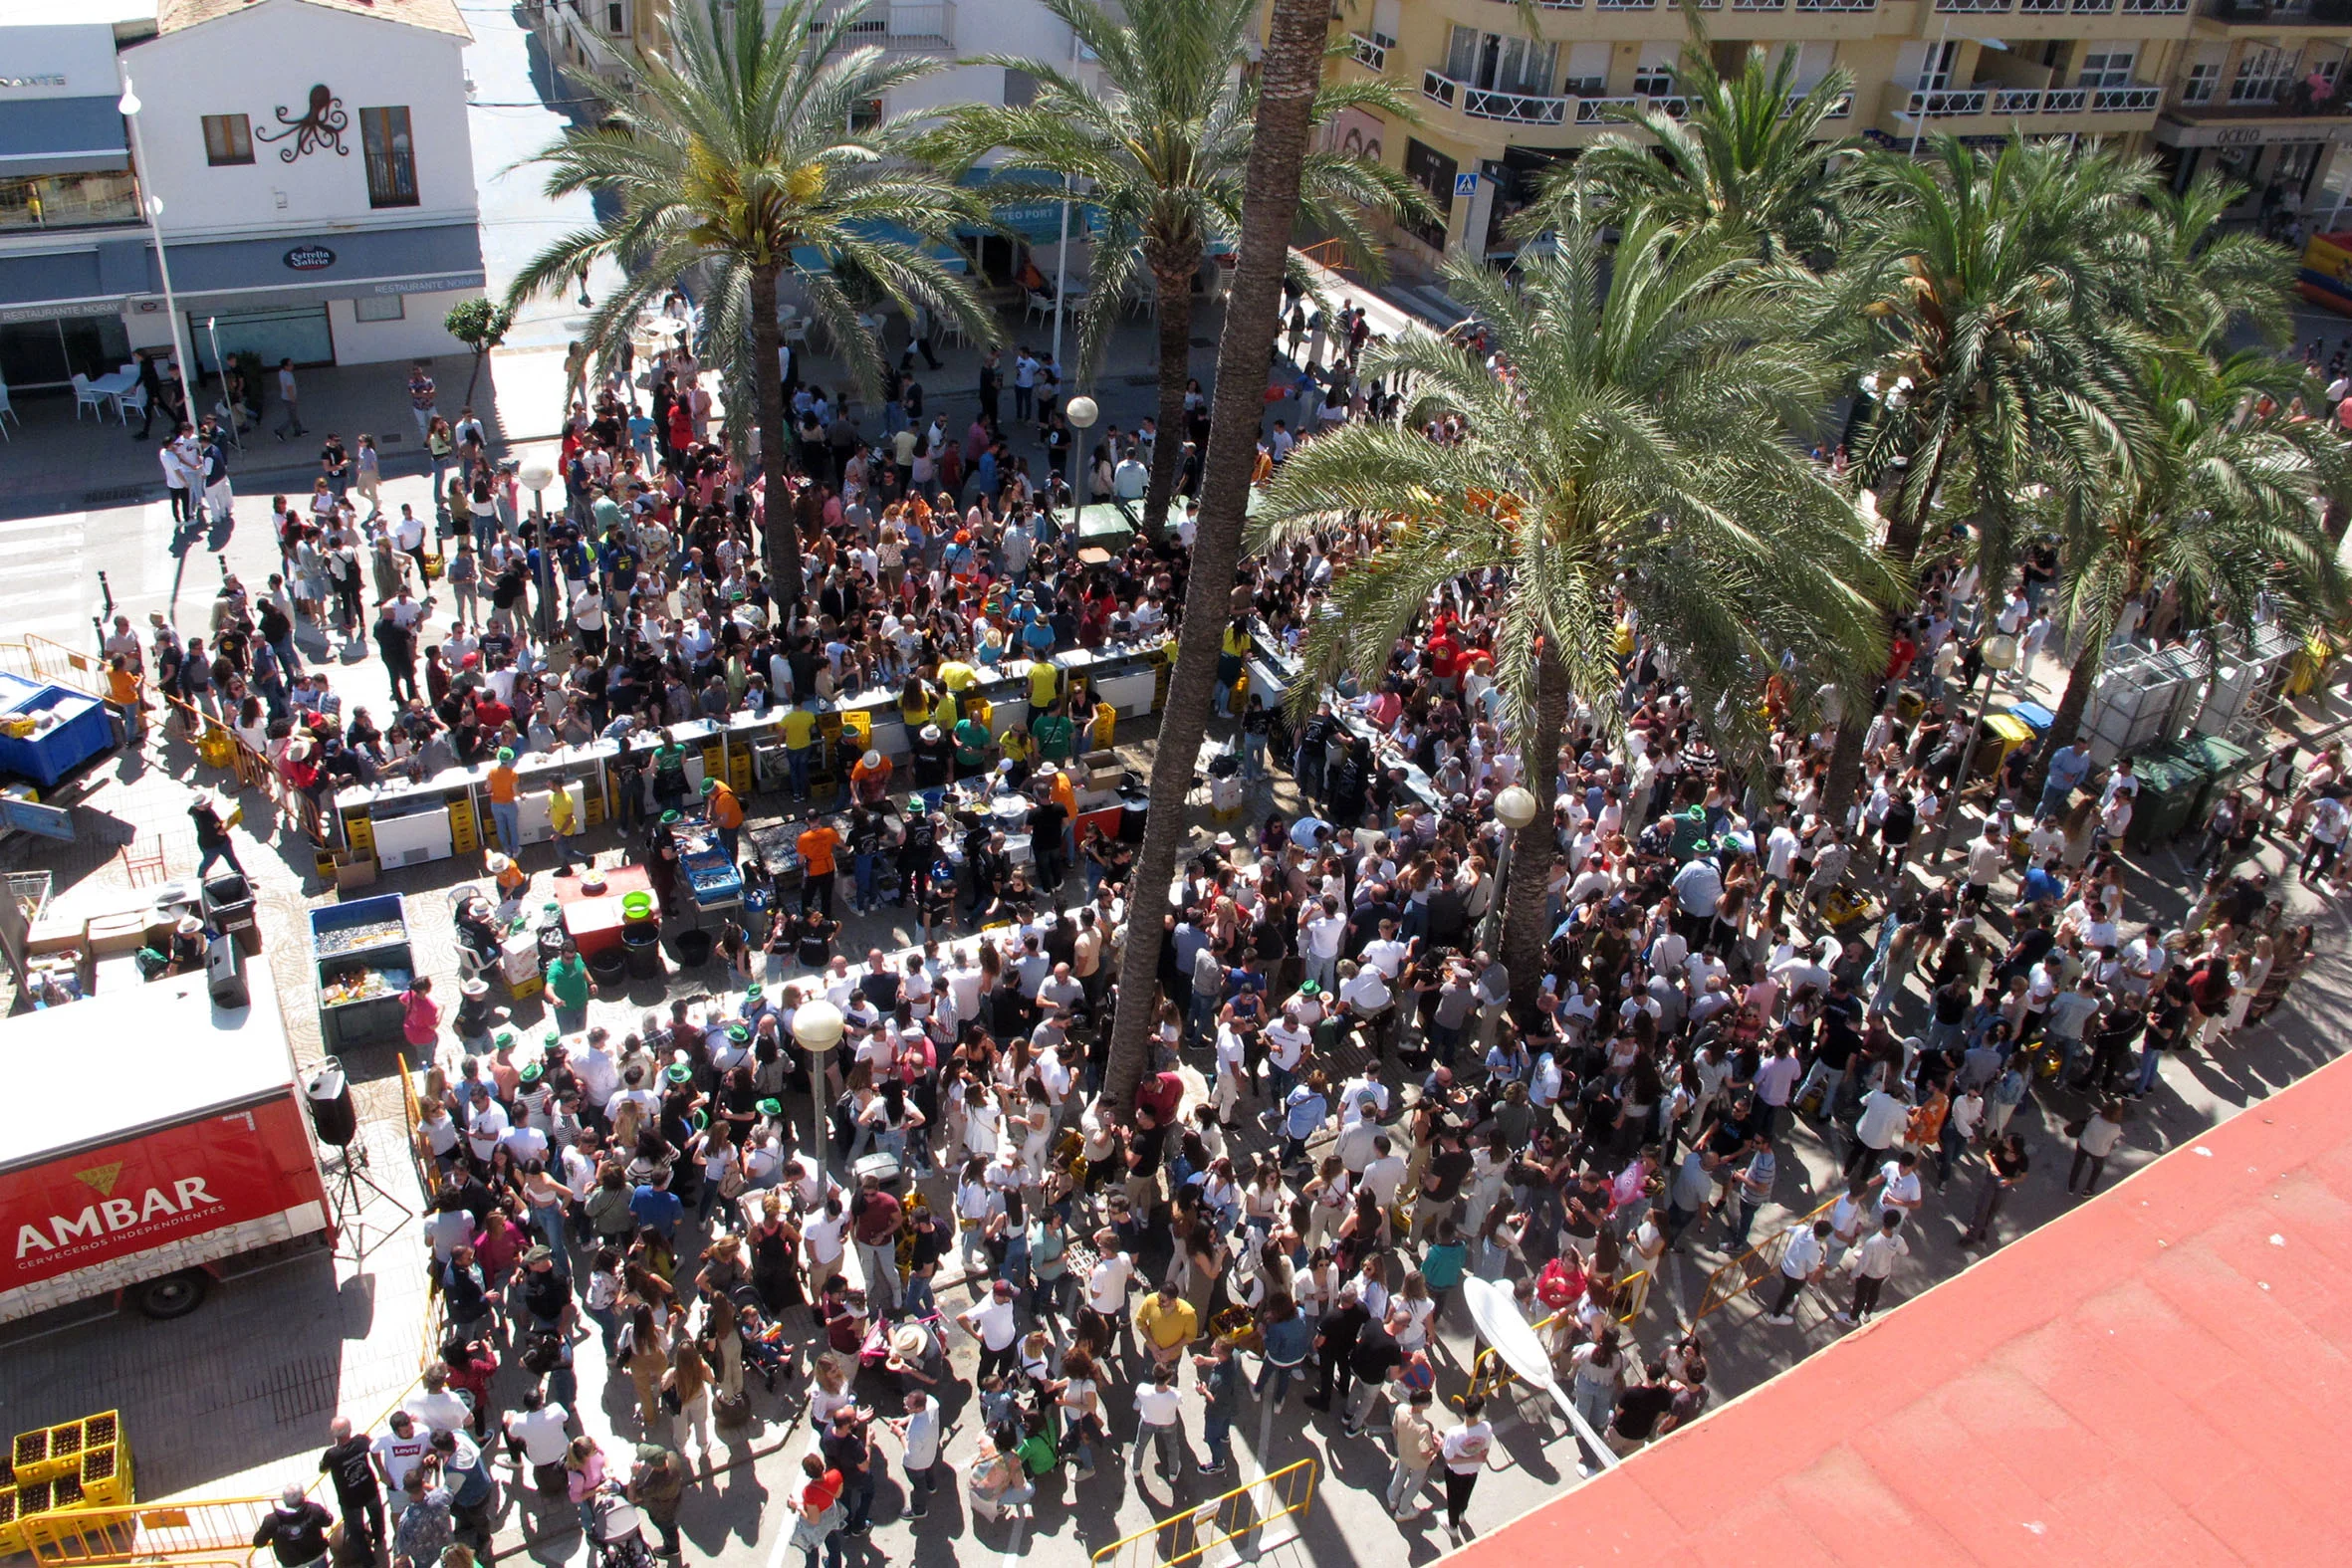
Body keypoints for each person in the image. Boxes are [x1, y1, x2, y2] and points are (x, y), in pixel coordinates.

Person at [1438, 1394, 1493, 1542]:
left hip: (1456, 1472)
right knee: (1466, 1492)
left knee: (1453, 1498)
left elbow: (1449, 1458)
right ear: (1480, 1410)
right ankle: (1461, 1513)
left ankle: (1453, 1526)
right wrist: (1475, 1459)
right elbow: (1485, 1450)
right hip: (1474, 1469)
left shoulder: (1453, 1433)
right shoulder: (1486, 1428)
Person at [251, 1484, 334, 1568]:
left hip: (290, 1562)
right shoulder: (314, 1510)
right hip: (316, 1556)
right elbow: (328, 1521)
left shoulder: (271, 1520)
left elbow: (258, 1542)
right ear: (303, 1497)